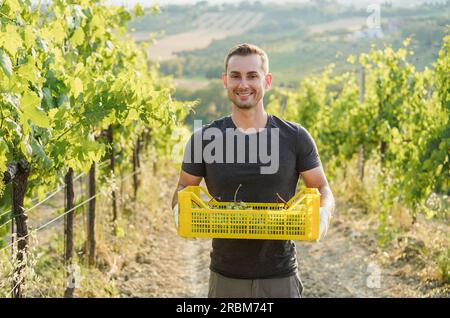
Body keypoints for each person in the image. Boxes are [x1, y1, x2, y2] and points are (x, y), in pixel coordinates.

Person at [171, 43, 335, 298]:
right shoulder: (204, 139)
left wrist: (323, 215)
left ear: (267, 81)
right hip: (226, 277)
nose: (243, 84)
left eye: (252, 76)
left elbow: (321, 187)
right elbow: (184, 186)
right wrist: (178, 211)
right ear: (225, 81)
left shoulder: (294, 137)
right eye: (235, 76)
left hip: (281, 276)